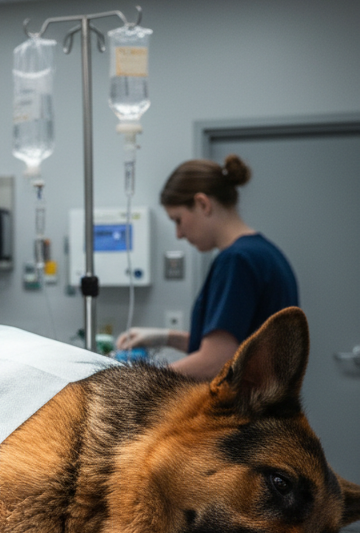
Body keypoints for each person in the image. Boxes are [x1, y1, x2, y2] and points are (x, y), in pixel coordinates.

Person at [116, 154, 298, 380]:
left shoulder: (236, 261)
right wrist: (164, 337)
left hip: (245, 411)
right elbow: (233, 342)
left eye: (178, 220)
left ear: (203, 204)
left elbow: (216, 361)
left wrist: (138, 383)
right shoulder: (264, 253)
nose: (179, 234)